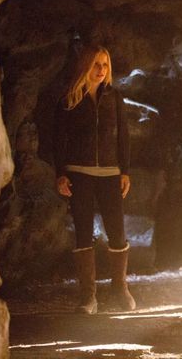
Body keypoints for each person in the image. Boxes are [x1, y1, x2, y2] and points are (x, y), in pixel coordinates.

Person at [54, 44, 135, 314]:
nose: (101, 70)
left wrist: (125, 171)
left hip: (110, 173)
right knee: (83, 231)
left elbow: (123, 136)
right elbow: (58, 139)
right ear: (86, 66)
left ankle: (120, 289)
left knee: (117, 231)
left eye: (105, 64)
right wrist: (61, 173)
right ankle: (88, 297)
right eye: (96, 64)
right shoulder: (69, 99)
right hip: (79, 172)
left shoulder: (115, 97)